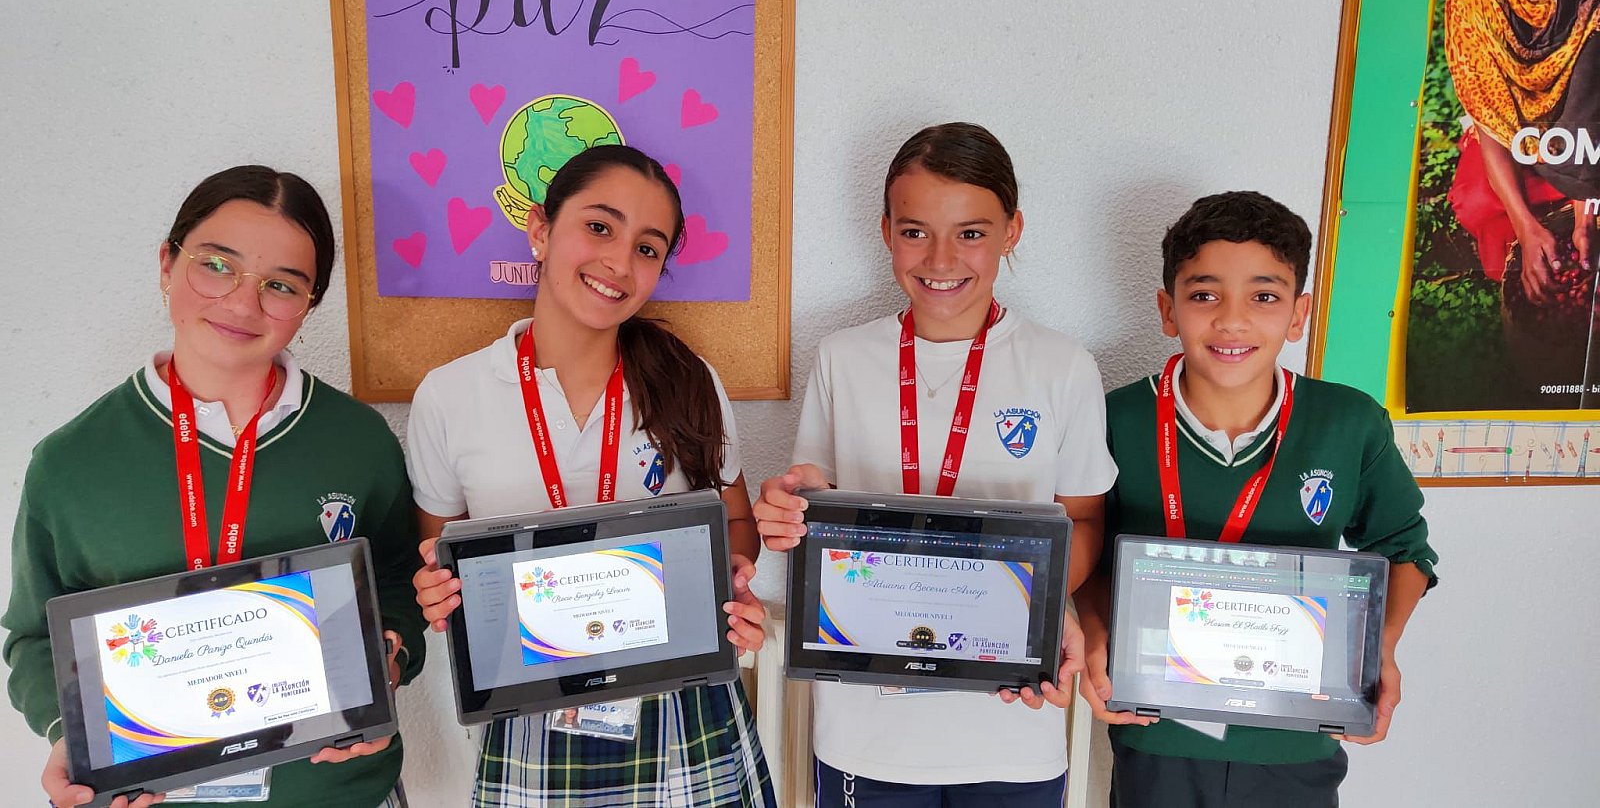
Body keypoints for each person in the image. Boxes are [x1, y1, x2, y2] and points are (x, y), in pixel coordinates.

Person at [3, 166, 425, 808]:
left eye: (280, 285)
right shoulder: (69, 462)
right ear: (167, 264)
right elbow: (34, 636)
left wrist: (386, 664)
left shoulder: (359, 440)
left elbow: (395, 581)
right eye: (217, 266)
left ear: (309, 305)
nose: (242, 304)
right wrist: (71, 734)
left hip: (338, 792)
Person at [406, 144, 773, 807]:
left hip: (682, 707)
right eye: (600, 227)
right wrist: (438, 592)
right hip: (528, 712)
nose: (619, 263)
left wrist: (735, 579)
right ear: (541, 229)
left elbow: (737, 521)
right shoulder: (450, 395)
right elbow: (441, 555)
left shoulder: (689, 381)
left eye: (648, 248)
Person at [753, 122, 1105, 807]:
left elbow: (1085, 520)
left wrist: (1032, 601)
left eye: (971, 232)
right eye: (915, 231)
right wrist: (791, 508)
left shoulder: (1062, 366)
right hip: (866, 726)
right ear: (886, 231)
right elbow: (813, 504)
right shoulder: (842, 356)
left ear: (1012, 231)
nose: (941, 258)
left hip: (1010, 721)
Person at [1077, 192, 1439, 808]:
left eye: (1264, 297)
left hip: (1295, 737)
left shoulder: (1348, 422)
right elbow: (1087, 552)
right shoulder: (1114, 418)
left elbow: (1406, 550)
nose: (1232, 320)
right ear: (1167, 309)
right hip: (1158, 729)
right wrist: (1094, 633)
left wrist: (1378, 649)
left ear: (1299, 314)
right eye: (1204, 295)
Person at [1445, 0, 1600, 296]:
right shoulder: (1470, 3)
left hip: (1589, 145)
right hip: (1519, 141)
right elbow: (1490, 123)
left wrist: (1586, 211)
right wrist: (1525, 227)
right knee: (1480, 203)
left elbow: (1590, 109)